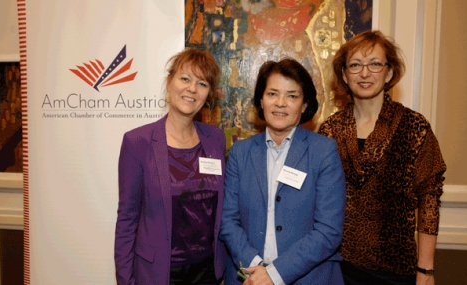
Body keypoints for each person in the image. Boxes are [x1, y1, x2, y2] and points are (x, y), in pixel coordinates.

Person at [318, 30, 446, 285]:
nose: (365, 73)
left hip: (396, 271)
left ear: (389, 73)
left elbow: (429, 199)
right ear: (344, 74)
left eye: (375, 64)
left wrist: (426, 270)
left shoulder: (415, 127)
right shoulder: (329, 130)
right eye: (355, 65)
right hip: (336, 267)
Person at [220, 58, 346, 285]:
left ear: (305, 104)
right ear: (261, 100)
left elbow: (329, 230)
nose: (280, 103)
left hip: (308, 278)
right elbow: (228, 221)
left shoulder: (323, 151)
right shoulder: (240, 153)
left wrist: (275, 274)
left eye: (292, 96)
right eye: (272, 94)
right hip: (248, 277)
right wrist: (258, 270)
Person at [114, 48, 227, 285]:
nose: (192, 89)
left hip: (207, 272)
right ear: (169, 82)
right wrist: (125, 281)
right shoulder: (138, 142)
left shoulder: (215, 139)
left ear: (208, 94)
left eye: (202, 83)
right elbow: (127, 219)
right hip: (159, 274)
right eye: (185, 78)